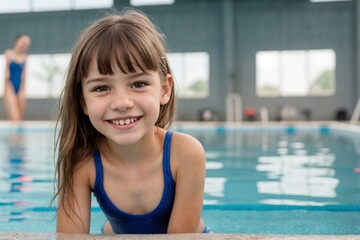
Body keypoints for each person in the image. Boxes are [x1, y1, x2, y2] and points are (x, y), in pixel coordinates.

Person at [53, 9, 211, 234]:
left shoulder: (185, 153)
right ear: (83, 101)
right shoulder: (82, 163)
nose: (121, 103)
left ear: (164, 89)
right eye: (101, 88)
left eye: (138, 84)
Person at [3, 34, 31, 121]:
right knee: (15, 118)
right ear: (17, 41)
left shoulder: (25, 57)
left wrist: (23, 91)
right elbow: (6, 74)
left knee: (19, 119)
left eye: (27, 44)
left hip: (21, 88)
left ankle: (16, 135)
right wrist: (6, 91)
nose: (25, 46)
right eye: (23, 42)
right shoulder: (8, 54)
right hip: (10, 87)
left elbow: (24, 76)